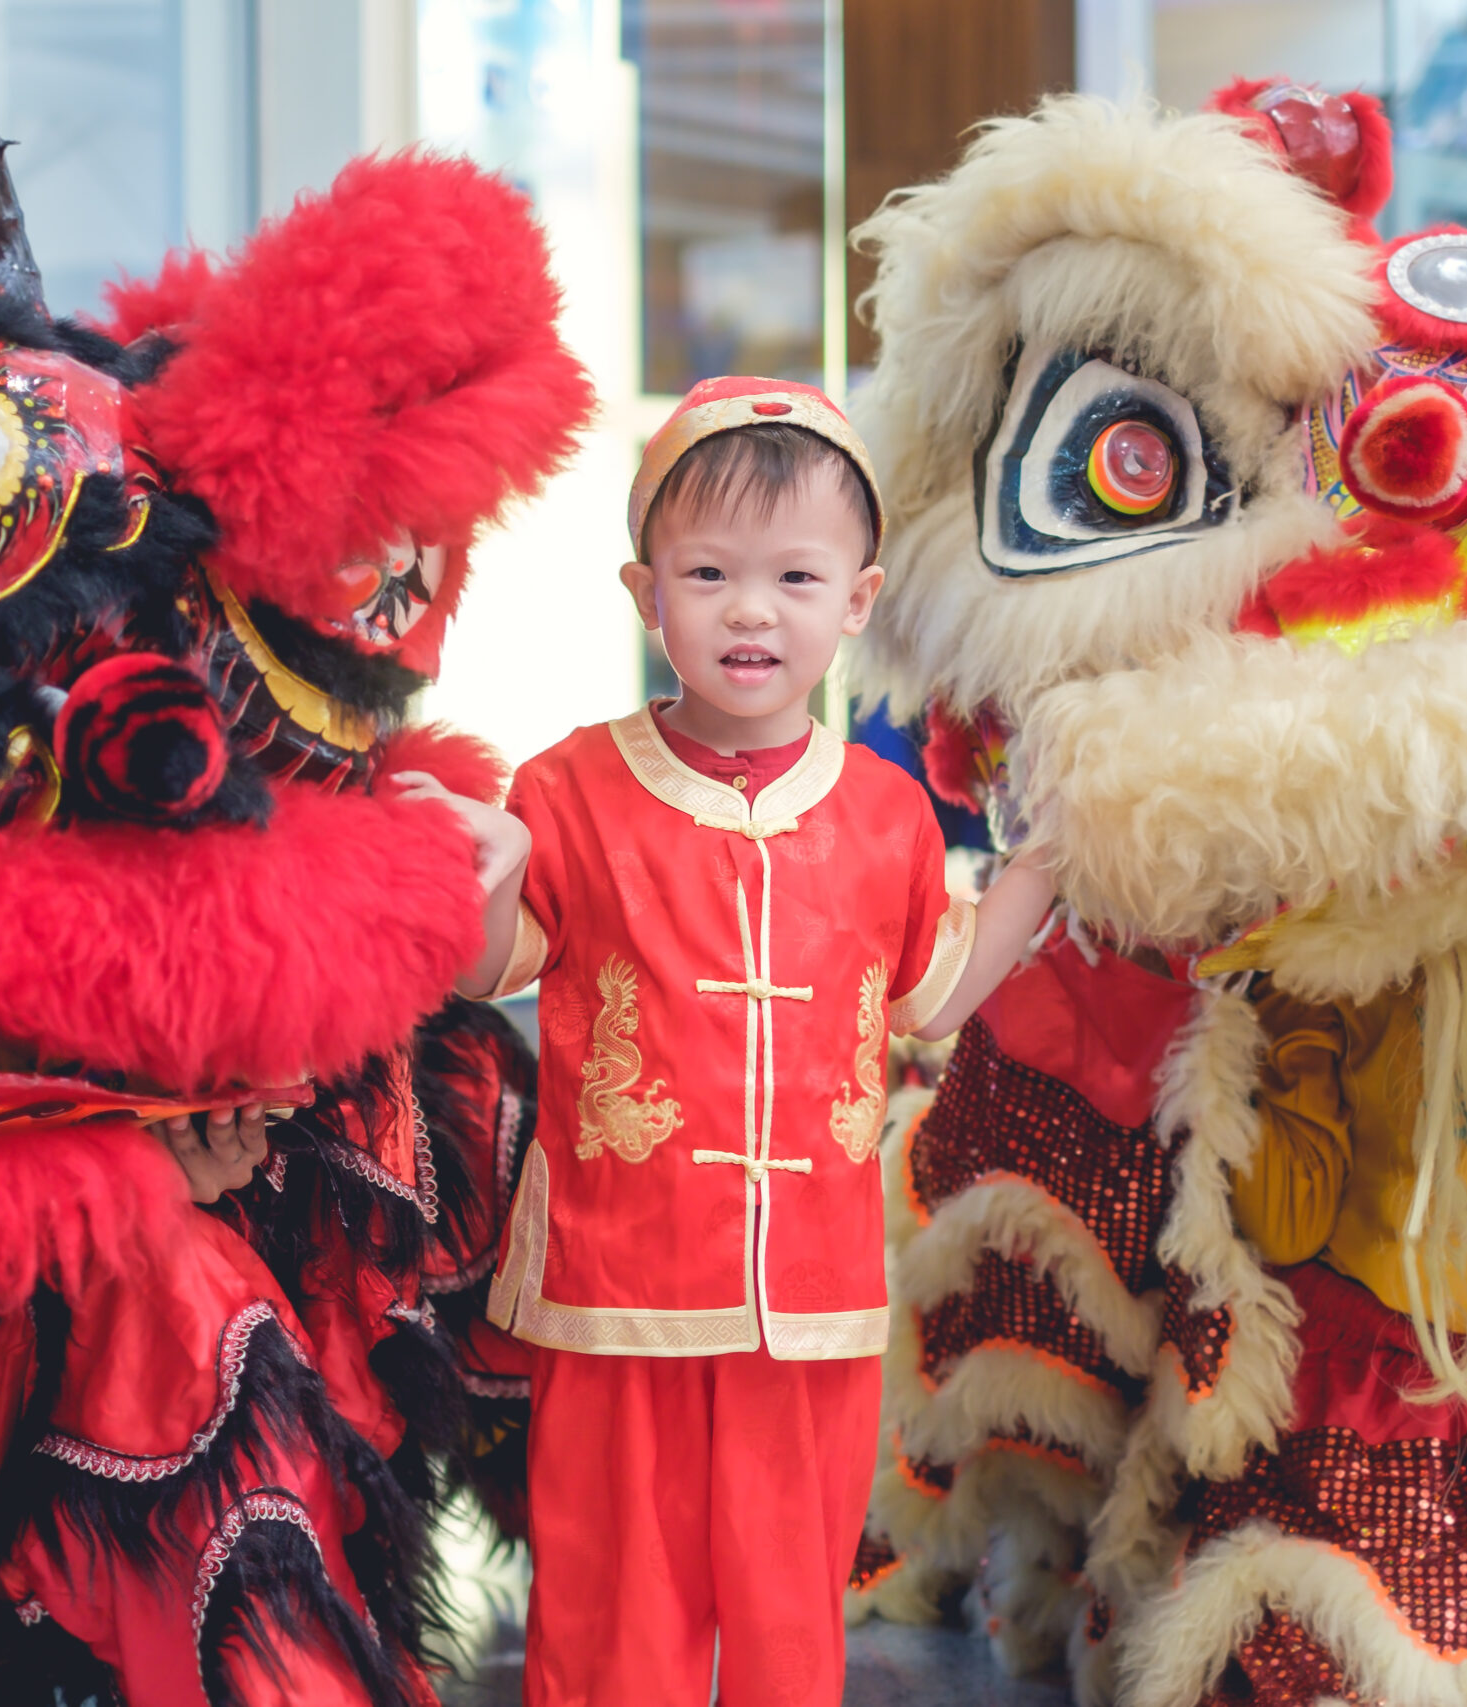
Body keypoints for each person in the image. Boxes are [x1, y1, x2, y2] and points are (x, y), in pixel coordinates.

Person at [397, 376, 1053, 1706]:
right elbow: (479, 973)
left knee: (787, 1610)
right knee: (609, 1604)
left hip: (807, 1301)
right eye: (709, 572)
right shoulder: (569, 788)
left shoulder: (886, 813)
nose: (752, 609)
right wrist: (482, 870)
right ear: (648, 595)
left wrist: (1045, 871)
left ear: (856, 602)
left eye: (796, 575)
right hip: (616, 1283)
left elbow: (928, 996)